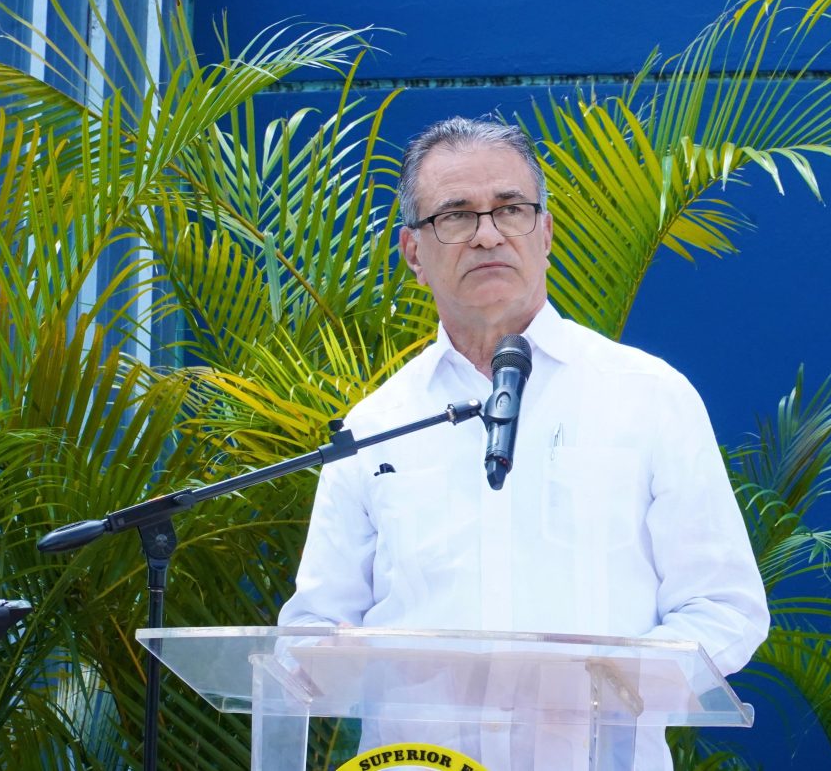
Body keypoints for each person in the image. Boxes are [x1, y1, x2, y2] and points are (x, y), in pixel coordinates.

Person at [278, 117, 770, 769]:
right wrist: (329, 654)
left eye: (510, 208)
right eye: (455, 215)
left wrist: (612, 685)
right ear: (413, 253)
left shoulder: (649, 397)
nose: (487, 233)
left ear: (546, 233)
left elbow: (725, 607)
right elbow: (310, 631)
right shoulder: (376, 424)